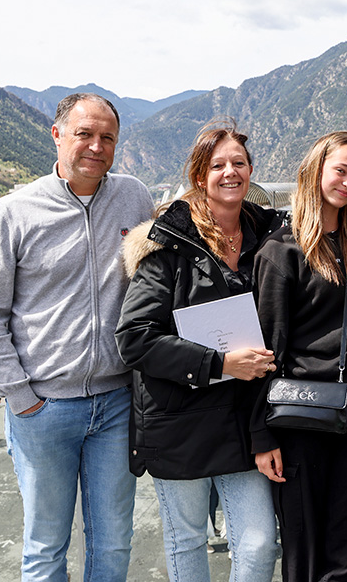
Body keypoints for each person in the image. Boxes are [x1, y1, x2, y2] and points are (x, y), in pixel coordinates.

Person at [0, 93, 155, 581]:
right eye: (84, 134)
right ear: (56, 135)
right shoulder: (11, 213)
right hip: (43, 408)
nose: (96, 146)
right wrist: (21, 396)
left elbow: (154, 284)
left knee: (114, 542)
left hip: (116, 404)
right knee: (45, 547)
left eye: (107, 137)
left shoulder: (134, 197)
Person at [116, 122, 282, 582]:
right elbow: (134, 337)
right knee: (187, 539)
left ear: (251, 171)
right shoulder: (168, 244)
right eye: (218, 165)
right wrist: (219, 363)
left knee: (258, 542)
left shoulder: (270, 237)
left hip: (245, 420)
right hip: (180, 420)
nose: (230, 172)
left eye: (239, 163)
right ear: (199, 175)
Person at [253, 131, 347, 582]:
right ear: (315, 171)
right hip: (300, 415)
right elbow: (266, 351)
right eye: (341, 171)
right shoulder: (281, 250)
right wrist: (261, 436)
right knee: (304, 546)